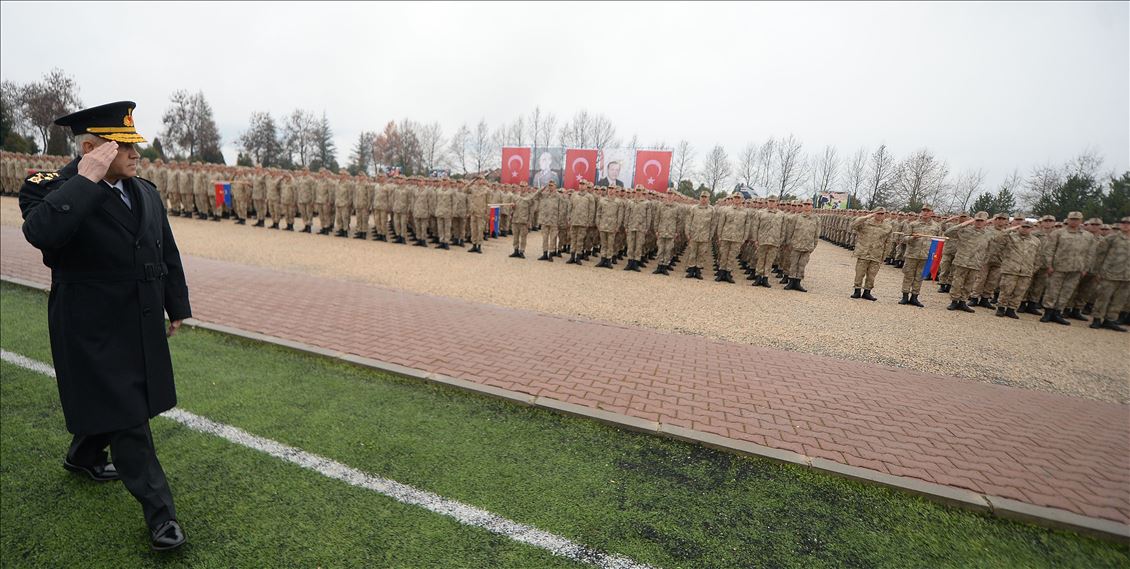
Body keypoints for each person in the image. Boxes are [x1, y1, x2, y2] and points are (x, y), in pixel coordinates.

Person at [18, 101, 189, 551]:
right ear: (91, 148)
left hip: (140, 316)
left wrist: (177, 304)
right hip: (90, 323)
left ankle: (85, 454)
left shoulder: (144, 191)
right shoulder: (49, 187)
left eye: (136, 145)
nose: (137, 155)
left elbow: (164, 251)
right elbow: (42, 234)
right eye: (125, 146)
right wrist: (86, 179)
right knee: (128, 415)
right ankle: (161, 514)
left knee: (122, 400)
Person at [1089, 217, 1130, 331]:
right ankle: (1097, 319)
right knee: (1103, 297)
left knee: (1119, 299)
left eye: (1128, 223)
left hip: (1127, 276)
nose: (1126, 225)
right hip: (1109, 273)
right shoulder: (1111, 238)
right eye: (1123, 223)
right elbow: (1100, 255)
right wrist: (1097, 271)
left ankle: (1110, 320)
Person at [898, 205, 940, 307]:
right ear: (921, 212)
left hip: (925, 255)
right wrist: (912, 238)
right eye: (924, 210)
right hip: (912, 254)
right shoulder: (913, 224)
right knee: (908, 275)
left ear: (932, 213)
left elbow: (938, 241)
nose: (925, 213)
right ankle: (905, 296)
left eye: (928, 211)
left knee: (919, 277)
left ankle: (914, 297)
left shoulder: (936, 226)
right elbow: (904, 239)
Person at [849, 207, 893, 300]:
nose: (880, 215)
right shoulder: (865, 223)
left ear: (885, 215)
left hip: (876, 254)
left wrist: (884, 255)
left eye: (882, 214)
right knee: (859, 273)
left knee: (872, 275)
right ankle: (857, 291)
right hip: (863, 252)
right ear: (874, 213)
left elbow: (888, 242)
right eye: (878, 213)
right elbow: (853, 224)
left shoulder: (887, 227)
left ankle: (867, 292)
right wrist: (867, 217)